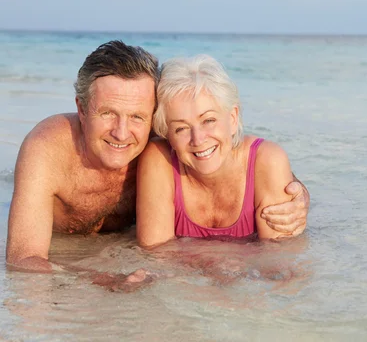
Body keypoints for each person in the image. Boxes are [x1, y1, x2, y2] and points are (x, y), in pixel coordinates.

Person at [6, 41, 309, 274]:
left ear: (153, 121)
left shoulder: (161, 144)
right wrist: (96, 279)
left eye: (137, 116)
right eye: (108, 113)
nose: (122, 133)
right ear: (82, 110)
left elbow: (217, 142)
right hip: (67, 255)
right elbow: (23, 261)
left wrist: (296, 190)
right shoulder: (47, 148)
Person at [136, 54, 298, 246]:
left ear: (232, 118)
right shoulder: (158, 159)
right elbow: (155, 258)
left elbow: (280, 263)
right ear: (167, 134)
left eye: (209, 120)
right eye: (181, 128)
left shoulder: (268, 160)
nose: (198, 139)